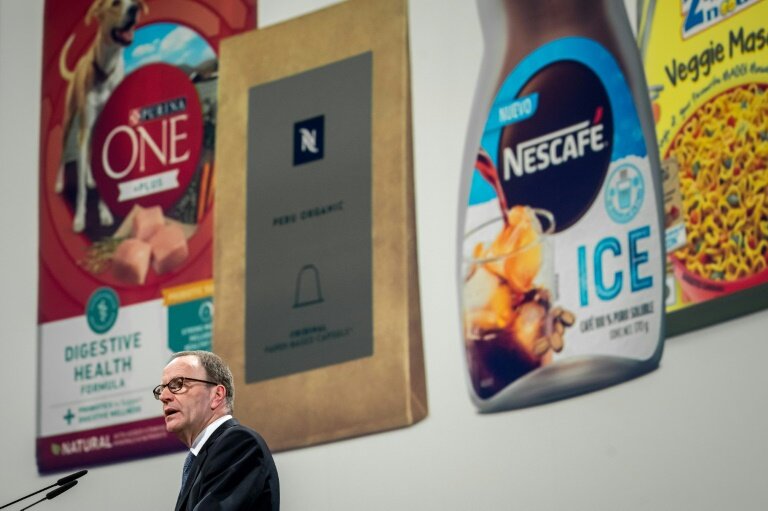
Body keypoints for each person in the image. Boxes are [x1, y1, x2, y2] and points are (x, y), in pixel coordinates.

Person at [154, 350, 279, 510]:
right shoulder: (200, 459)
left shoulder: (239, 443)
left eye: (178, 384)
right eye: (162, 389)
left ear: (217, 395)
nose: (164, 396)